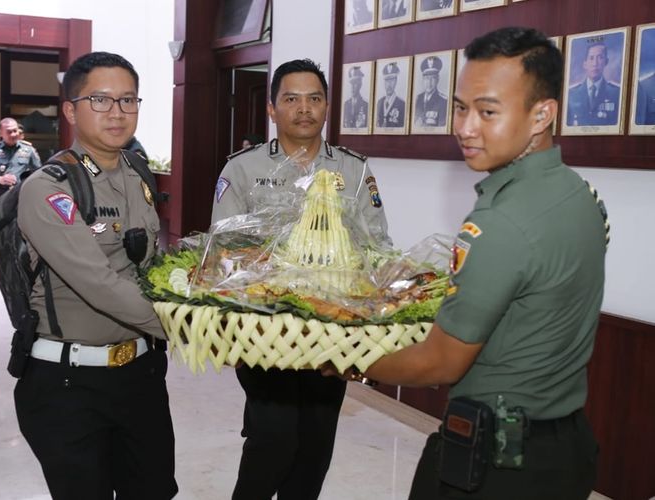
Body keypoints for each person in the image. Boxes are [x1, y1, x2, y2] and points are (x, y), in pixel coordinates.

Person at [360, 27, 607, 499]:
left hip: (497, 466)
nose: (465, 127)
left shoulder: (502, 222)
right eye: (460, 107)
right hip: (565, 449)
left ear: (542, 114)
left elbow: (441, 362)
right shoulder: (579, 194)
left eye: (487, 111)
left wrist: (352, 366)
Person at [212, 58, 391, 500]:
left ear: (328, 106)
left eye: (314, 98)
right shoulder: (242, 170)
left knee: (314, 448)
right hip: (264, 329)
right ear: (272, 109)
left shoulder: (354, 171)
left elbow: (377, 246)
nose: (304, 109)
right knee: (273, 439)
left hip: (332, 331)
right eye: (291, 99)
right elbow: (223, 250)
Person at [13, 51, 177, 500]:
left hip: (140, 375)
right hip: (69, 385)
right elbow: (98, 283)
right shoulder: (49, 187)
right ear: (70, 109)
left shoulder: (139, 173)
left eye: (128, 100)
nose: (118, 113)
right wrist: (193, 330)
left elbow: (148, 268)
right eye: (101, 100)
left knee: (155, 491)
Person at [0, 117, 42, 200]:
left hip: (21, 195)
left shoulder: (29, 150)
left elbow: (38, 173)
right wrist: (0, 179)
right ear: (0, 133)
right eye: (9, 132)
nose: (13, 134)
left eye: (15, 131)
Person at [566, 41, 620, 126]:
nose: (595, 63)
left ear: (606, 62)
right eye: (591, 58)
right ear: (585, 64)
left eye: (600, 58)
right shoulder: (571, 94)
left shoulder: (617, 93)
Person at [413, 56, 448, 127]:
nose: (429, 82)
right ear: (423, 79)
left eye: (433, 78)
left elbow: (442, 127)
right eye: (426, 78)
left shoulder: (443, 101)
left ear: (437, 79)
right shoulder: (417, 99)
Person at [376, 62, 406, 128]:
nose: (389, 84)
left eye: (391, 80)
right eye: (386, 80)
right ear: (384, 82)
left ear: (396, 81)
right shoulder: (380, 102)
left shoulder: (402, 104)